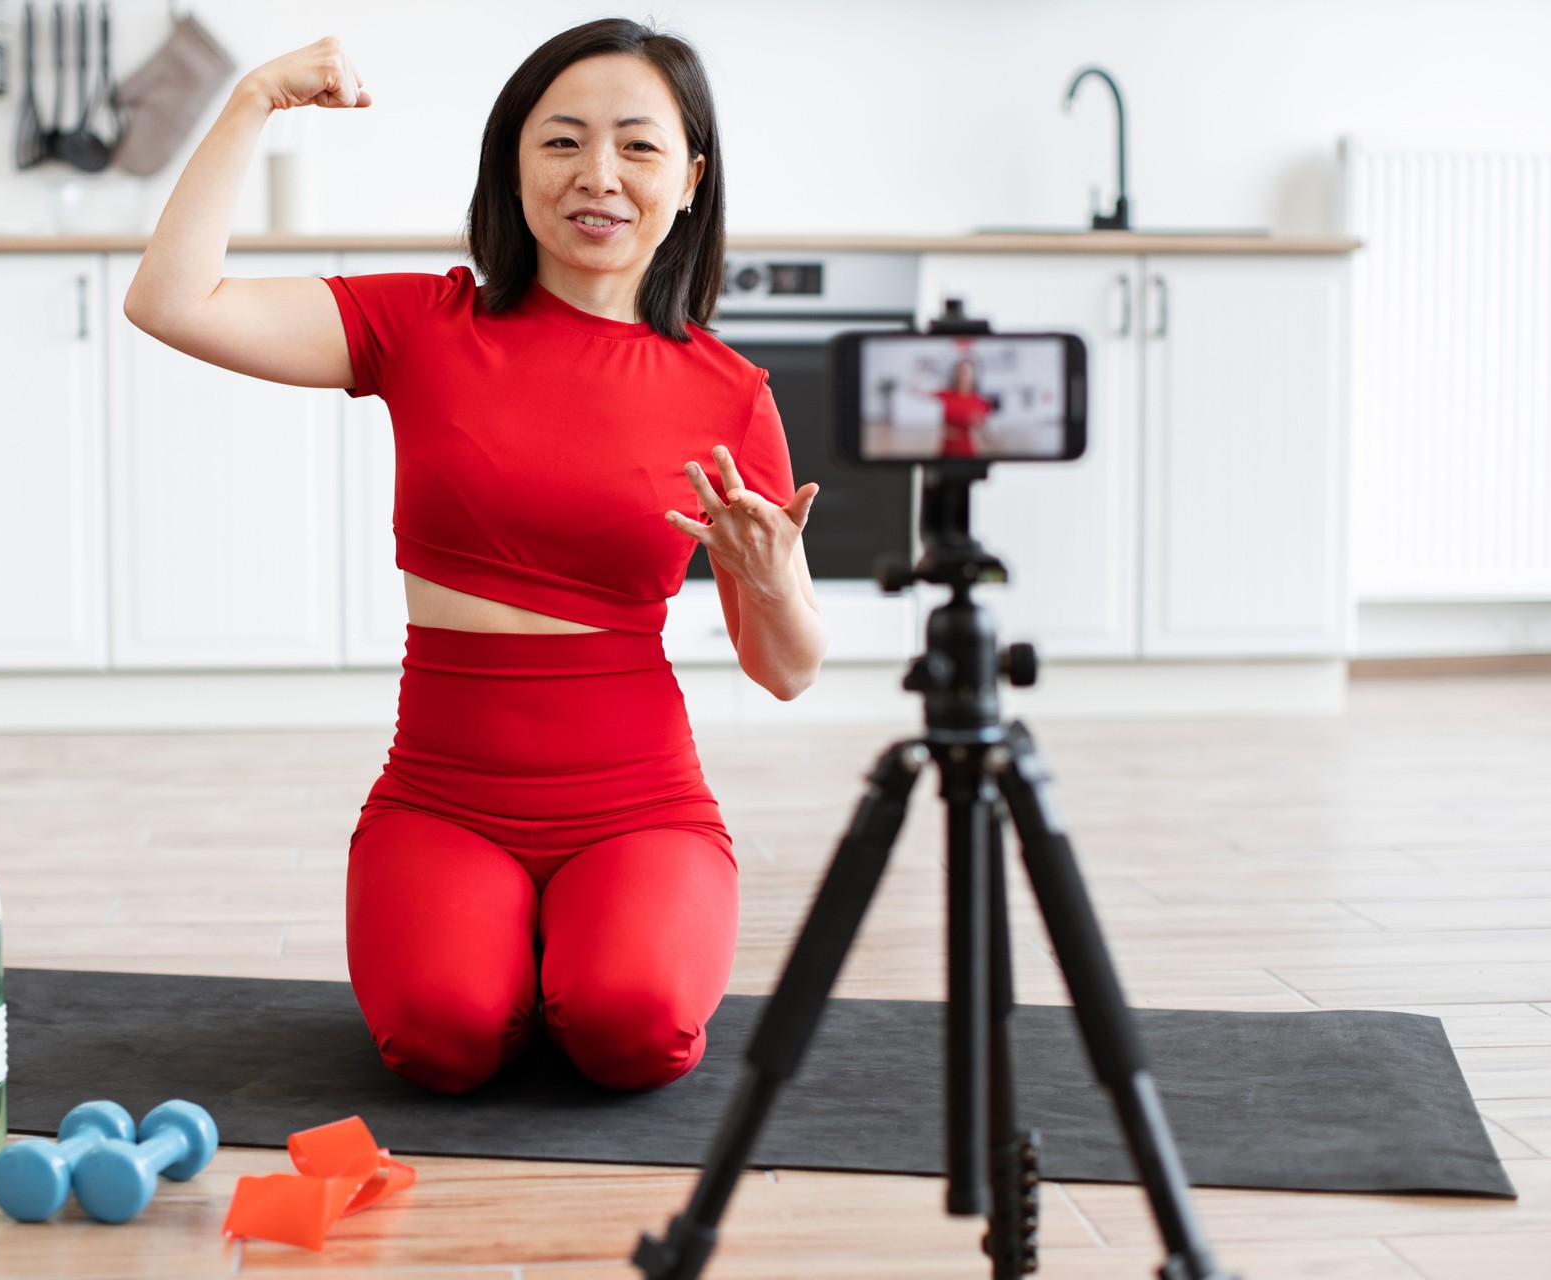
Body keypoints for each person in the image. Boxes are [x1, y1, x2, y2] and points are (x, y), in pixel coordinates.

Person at [123, 18, 827, 1095]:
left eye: (637, 146)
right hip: (443, 794)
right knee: (441, 1041)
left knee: (633, 1030)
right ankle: (514, 958)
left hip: (636, 798)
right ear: (514, 162)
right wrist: (255, 97)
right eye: (562, 141)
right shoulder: (424, 323)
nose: (598, 175)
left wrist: (774, 579)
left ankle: (584, 953)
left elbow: (786, 669)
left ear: (688, 180)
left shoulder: (730, 394)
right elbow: (171, 302)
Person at [915, 357, 994, 457]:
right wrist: (921, 370)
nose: (964, 375)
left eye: (967, 372)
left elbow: (986, 439)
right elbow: (915, 389)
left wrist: (980, 428)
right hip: (946, 448)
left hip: (966, 450)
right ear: (956, 373)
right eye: (961, 371)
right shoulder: (947, 395)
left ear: (974, 375)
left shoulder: (980, 402)